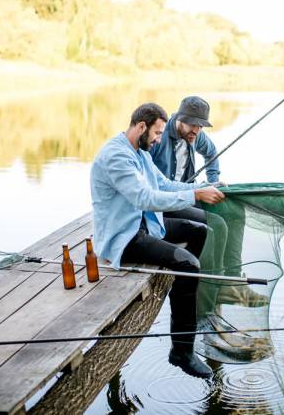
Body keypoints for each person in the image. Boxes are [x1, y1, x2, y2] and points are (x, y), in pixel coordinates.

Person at [90, 102, 224, 378]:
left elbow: (163, 185)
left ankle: (181, 292)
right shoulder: (117, 156)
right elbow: (144, 198)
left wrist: (201, 187)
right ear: (141, 126)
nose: (159, 139)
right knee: (188, 264)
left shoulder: (140, 152)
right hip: (123, 237)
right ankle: (182, 351)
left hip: (145, 226)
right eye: (157, 133)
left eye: (162, 134)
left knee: (198, 230)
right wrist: (196, 196)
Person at [151, 96, 267, 309]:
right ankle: (215, 285)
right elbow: (154, 186)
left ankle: (233, 282)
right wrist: (198, 190)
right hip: (167, 203)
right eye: (192, 124)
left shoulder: (195, 136)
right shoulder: (158, 139)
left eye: (201, 125)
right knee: (216, 223)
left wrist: (212, 183)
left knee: (234, 210)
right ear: (180, 119)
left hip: (189, 194)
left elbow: (211, 153)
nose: (196, 129)